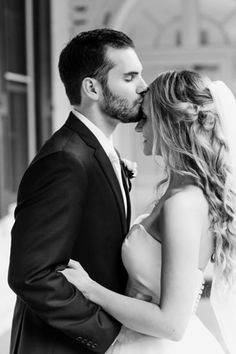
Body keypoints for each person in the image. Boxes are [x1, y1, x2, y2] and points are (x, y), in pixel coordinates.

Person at [60, 70, 236, 354]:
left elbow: (171, 325)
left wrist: (91, 289)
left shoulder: (183, 202)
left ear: (170, 122)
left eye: (145, 118)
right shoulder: (177, 192)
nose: (138, 128)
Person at [8, 28, 147, 354]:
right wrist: (109, 335)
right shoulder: (64, 159)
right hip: (60, 345)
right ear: (92, 88)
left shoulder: (97, 151)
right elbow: (32, 275)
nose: (143, 87)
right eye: (129, 77)